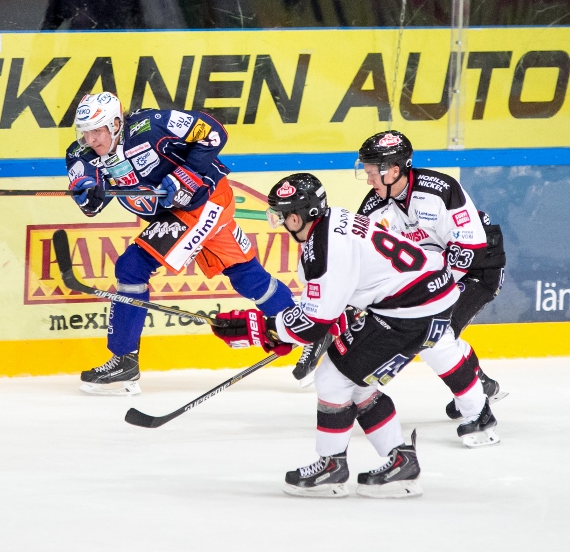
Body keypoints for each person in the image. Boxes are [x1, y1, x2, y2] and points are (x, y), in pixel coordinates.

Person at [211, 173, 499, 498]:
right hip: (419, 301)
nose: (278, 222)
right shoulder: (334, 221)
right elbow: (332, 310)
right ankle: (398, 461)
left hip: (411, 311)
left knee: (333, 379)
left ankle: (334, 468)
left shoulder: (322, 249)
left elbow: (313, 323)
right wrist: (280, 333)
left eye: (279, 215)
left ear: (296, 216)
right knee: (354, 383)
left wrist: (257, 328)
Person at [66, 92, 295, 395]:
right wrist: (88, 192)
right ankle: (305, 327)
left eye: (98, 130)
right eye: (85, 131)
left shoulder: (152, 125)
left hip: (208, 200)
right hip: (181, 213)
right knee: (246, 277)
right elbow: (89, 200)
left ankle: (124, 360)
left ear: (117, 123)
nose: (91, 139)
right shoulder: (79, 154)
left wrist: (185, 174)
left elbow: (214, 132)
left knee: (132, 267)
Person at [354, 131, 507, 423]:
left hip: (478, 267)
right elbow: (363, 259)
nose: (369, 180)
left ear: (394, 170)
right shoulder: (374, 207)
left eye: (372, 172)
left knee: (436, 331)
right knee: (435, 330)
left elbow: (468, 251)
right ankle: (479, 383)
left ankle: (477, 408)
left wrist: (422, 295)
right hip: (433, 274)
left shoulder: (441, 189)